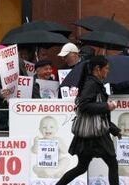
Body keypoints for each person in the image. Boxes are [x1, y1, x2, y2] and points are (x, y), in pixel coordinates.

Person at [56, 55, 122, 185]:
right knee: (112, 164)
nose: (107, 71)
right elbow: (84, 105)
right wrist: (107, 106)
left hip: (88, 135)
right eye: (106, 68)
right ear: (98, 69)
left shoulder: (93, 83)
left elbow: (98, 114)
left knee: (81, 168)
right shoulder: (91, 83)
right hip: (97, 134)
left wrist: (114, 130)